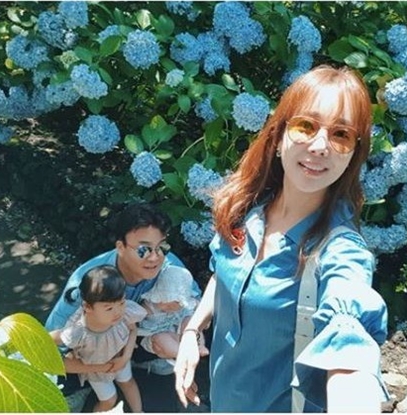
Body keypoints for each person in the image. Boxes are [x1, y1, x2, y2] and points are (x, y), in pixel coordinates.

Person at [174, 65, 389, 413]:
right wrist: (192, 330)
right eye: (306, 126)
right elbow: (224, 274)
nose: (320, 145)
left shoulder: (339, 249)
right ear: (278, 136)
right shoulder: (247, 209)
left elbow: (349, 332)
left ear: (352, 155)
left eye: (341, 135)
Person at [45, 203, 201, 409]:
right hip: (87, 351)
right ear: (120, 247)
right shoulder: (87, 287)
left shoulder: (170, 268)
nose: (155, 257)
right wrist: (98, 367)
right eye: (143, 249)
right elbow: (48, 352)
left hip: (135, 339)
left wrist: (189, 341)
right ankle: (80, 388)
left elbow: (195, 304)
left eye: (161, 247)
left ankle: (145, 364)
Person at [50, 265, 147, 412]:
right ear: (88, 307)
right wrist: (104, 367)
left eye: (121, 302)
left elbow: (133, 329)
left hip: (121, 358)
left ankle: (139, 412)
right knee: (109, 400)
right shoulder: (79, 331)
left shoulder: (123, 313)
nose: (118, 311)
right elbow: (62, 361)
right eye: (109, 308)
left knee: (128, 383)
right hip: (96, 371)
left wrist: (125, 357)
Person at [138, 265, 209, 361]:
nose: (169, 308)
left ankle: (199, 345)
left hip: (179, 328)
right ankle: (184, 355)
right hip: (158, 332)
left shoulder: (186, 305)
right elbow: (135, 315)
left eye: (176, 305)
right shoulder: (150, 306)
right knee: (161, 339)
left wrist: (205, 319)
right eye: (165, 303)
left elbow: (201, 308)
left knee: (190, 321)